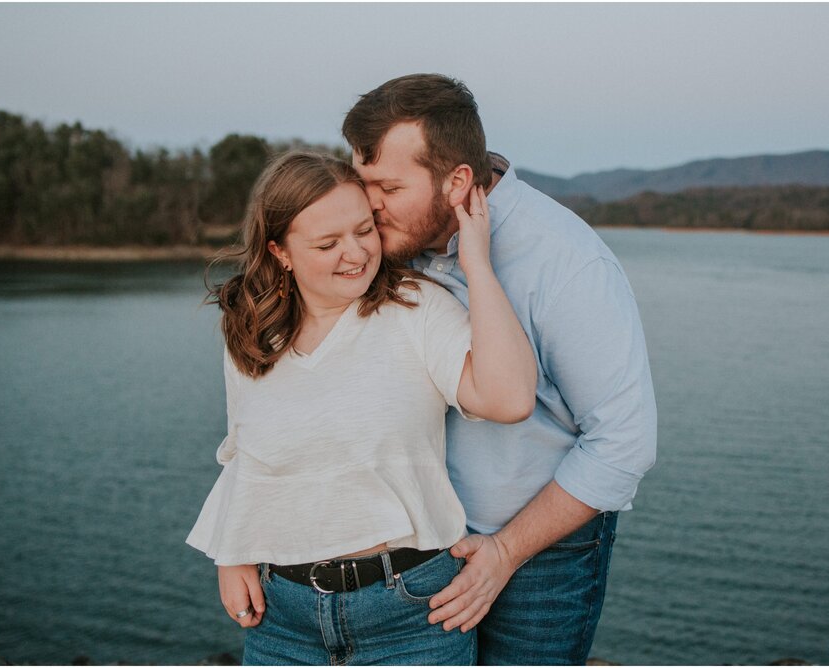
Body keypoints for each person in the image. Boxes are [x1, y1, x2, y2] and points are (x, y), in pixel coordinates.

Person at [342, 74, 658, 665]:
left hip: (540, 557)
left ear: (458, 181)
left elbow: (624, 444)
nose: (369, 204)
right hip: (416, 548)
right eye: (363, 183)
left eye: (388, 185)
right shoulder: (390, 243)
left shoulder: (567, 263)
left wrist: (507, 550)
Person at [186, 151, 537, 665]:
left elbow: (509, 399)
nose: (355, 254)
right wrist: (232, 553)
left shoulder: (416, 308)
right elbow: (247, 454)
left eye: (363, 230)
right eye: (327, 243)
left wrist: (476, 265)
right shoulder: (253, 327)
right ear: (279, 251)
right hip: (281, 618)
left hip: (411, 613)